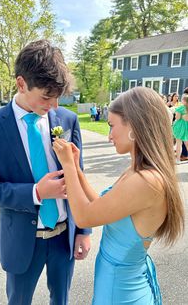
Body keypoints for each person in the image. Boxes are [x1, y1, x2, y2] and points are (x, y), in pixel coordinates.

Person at [0, 39, 91, 305]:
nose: (54, 105)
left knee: (61, 299)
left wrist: (84, 229)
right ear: (21, 83)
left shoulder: (67, 120)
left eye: (58, 97)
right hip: (23, 241)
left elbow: (78, 175)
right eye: (46, 97)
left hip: (64, 237)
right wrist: (36, 192)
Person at [53, 87, 184, 305]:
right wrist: (76, 168)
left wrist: (66, 165)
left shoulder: (146, 181)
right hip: (116, 281)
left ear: (134, 126)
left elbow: (85, 217)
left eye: (112, 126)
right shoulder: (138, 171)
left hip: (122, 291)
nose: (109, 136)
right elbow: (104, 207)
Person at [173, 93, 188, 164]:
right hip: (186, 127)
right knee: (187, 143)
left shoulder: (180, 108)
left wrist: (176, 116)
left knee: (179, 143)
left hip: (180, 127)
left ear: (184, 101)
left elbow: (177, 118)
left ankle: (178, 160)